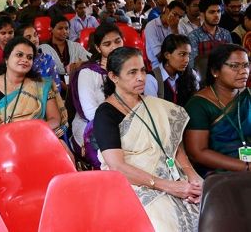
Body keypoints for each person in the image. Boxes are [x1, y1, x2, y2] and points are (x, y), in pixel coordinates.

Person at [94, 47, 201, 231]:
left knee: (209, 208)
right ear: (113, 77)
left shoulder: (154, 105)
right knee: (164, 223)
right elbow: (118, 167)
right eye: (132, 72)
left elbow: (174, 146)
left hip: (173, 176)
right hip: (134, 182)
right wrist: (168, 187)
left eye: (143, 70)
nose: (141, 77)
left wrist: (192, 175)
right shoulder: (105, 114)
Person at [0, 37, 68, 145]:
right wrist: (18, 140)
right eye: (19, 55)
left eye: (29, 57)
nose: (25, 59)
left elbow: (54, 120)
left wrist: (31, 135)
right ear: (6, 58)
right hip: (6, 144)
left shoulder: (41, 85)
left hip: (39, 140)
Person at [184, 44, 250, 176]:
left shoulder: (247, 95)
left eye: (246, 65)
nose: (244, 71)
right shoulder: (199, 105)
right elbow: (197, 153)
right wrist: (245, 167)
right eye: (235, 66)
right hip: (219, 174)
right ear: (215, 71)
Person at [69, 23, 124, 169]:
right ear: (99, 48)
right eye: (107, 44)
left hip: (126, 121)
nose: (114, 47)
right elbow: (90, 112)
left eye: (118, 41)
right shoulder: (88, 73)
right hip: (92, 125)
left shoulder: (130, 67)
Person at [144, 34, 198, 106]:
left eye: (188, 55)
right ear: (167, 55)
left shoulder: (191, 74)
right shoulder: (151, 79)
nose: (187, 60)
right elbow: (153, 111)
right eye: (182, 54)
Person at [40, 15, 91, 84]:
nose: (64, 31)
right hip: (53, 86)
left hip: (76, 83)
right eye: (60, 28)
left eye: (67, 28)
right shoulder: (43, 49)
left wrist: (80, 63)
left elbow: (91, 59)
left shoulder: (76, 46)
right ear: (51, 29)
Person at [188, 0, 232, 70]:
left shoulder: (225, 33)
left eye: (218, 11)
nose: (216, 15)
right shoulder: (194, 36)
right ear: (202, 14)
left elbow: (231, 58)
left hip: (225, 74)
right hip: (203, 77)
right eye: (212, 12)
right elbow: (193, 65)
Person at [16, 23, 61, 92]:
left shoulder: (47, 59)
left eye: (35, 35)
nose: (34, 39)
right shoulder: (18, 62)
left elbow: (57, 87)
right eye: (28, 37)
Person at [145, 1, 186, 69]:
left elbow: (183, 50)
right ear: (167, 10)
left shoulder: (178, 27)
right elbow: (159, 56)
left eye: (180, 17)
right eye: (175, 14)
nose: (177, 19)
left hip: (177, 64)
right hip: (158, 66)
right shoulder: (151, 26)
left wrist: (174, 30)